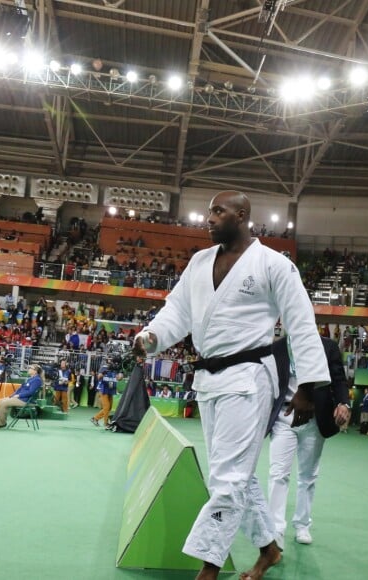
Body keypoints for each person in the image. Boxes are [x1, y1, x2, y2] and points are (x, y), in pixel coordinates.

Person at [133, 191, 330, 580]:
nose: (208, 219)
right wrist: (151, 336)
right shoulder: (200, 261)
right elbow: (178, 311)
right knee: (234, 472)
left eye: (218, 211)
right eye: (209, 211)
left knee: (228, 479)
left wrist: (308, 387)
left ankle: (207, 568)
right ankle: (269, 549)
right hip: (208, 379)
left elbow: (301, 322)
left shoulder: (273, 264)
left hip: (250, 377)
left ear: (242, 216)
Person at [267, 336, 350, 551]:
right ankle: (276, 530)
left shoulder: (328, 346)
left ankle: (302, 525)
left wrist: (343, 403)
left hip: (315, 418)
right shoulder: (277, 346)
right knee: (278, 473)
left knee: (308, 475)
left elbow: (339, 379)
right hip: (284, 417)